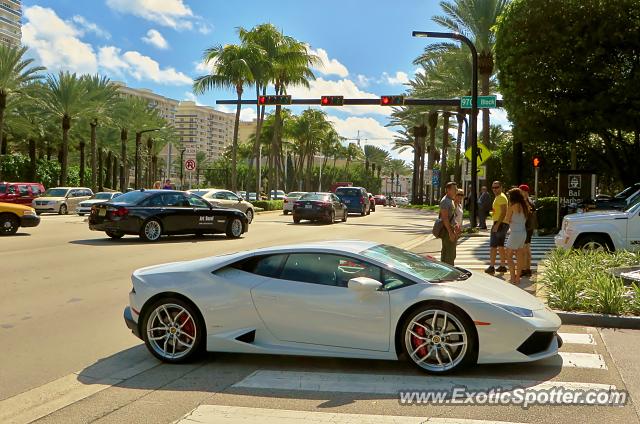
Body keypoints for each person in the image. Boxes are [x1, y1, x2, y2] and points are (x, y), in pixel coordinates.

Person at [504, 188, 530, 284]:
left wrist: (510, 220)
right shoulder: (525, 205)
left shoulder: (512, 205)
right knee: (519, 255)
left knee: (508, 255)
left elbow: (507, 219)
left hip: (515, 233)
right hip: (523, 232)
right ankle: (518, 277)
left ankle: (512, 276)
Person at [485, 181, 509, 274]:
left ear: (501, 187)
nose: (495, 189)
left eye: (497, 187)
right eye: (493, 187)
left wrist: (497, 224)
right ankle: (502, 266)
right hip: (501, 223)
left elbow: (504, 212)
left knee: (494, 246)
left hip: (500, 223)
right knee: (499, 246)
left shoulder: (501, 197)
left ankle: (492, 266)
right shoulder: (499, 197)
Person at [439, 182, 459, 265]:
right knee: (449, 254)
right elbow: (445, 218)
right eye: (454, 189)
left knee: (449, 253)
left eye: (456, 189)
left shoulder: (450, 200)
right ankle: (448, 273)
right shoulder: (445, 201)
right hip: (447, 231)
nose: (456, 191)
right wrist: (450, 232)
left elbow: (451, 216)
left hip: (451, 230)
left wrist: (456, 224)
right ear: (448, 190)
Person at [519, 184, 537, 277]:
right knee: (527, 248)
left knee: (524, 249)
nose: (520, 192)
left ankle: (524, 269)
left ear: (524, 192)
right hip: (529, 227)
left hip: (525, 227)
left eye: (521, 191)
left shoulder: (525, 202)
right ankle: (527, 269)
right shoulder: (530, 201)